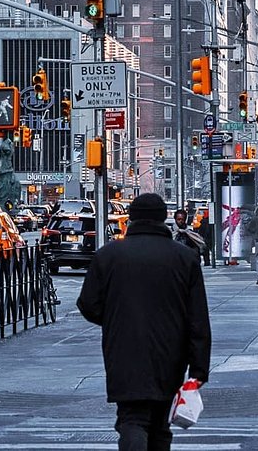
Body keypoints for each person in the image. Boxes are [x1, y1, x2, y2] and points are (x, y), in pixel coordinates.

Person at [77, 193, 211, 451]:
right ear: (163, 219)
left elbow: (88, 304)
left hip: (123, 350)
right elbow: (197, 319)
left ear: (132, 218)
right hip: (171, 352)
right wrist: (199, 370)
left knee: (132, 417)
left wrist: (115, 320)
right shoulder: (185, 258)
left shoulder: (108, 256)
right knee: (161, 424)